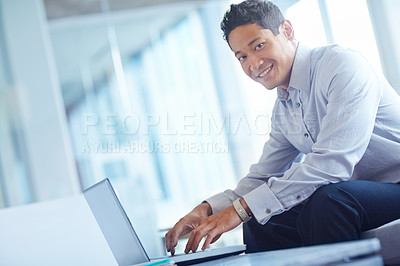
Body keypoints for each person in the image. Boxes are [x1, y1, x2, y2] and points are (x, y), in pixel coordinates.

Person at [165, 0, 400, 255]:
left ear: (287, 31)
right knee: (261, 219)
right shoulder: (284, 109)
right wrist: (208, 209)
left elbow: (332, 164)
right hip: (360, 192)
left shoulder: (342, 66)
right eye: (242, 56)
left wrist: (241, 209)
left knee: (329, 201)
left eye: (259, 46)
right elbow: (262, 177)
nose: (253, 64)